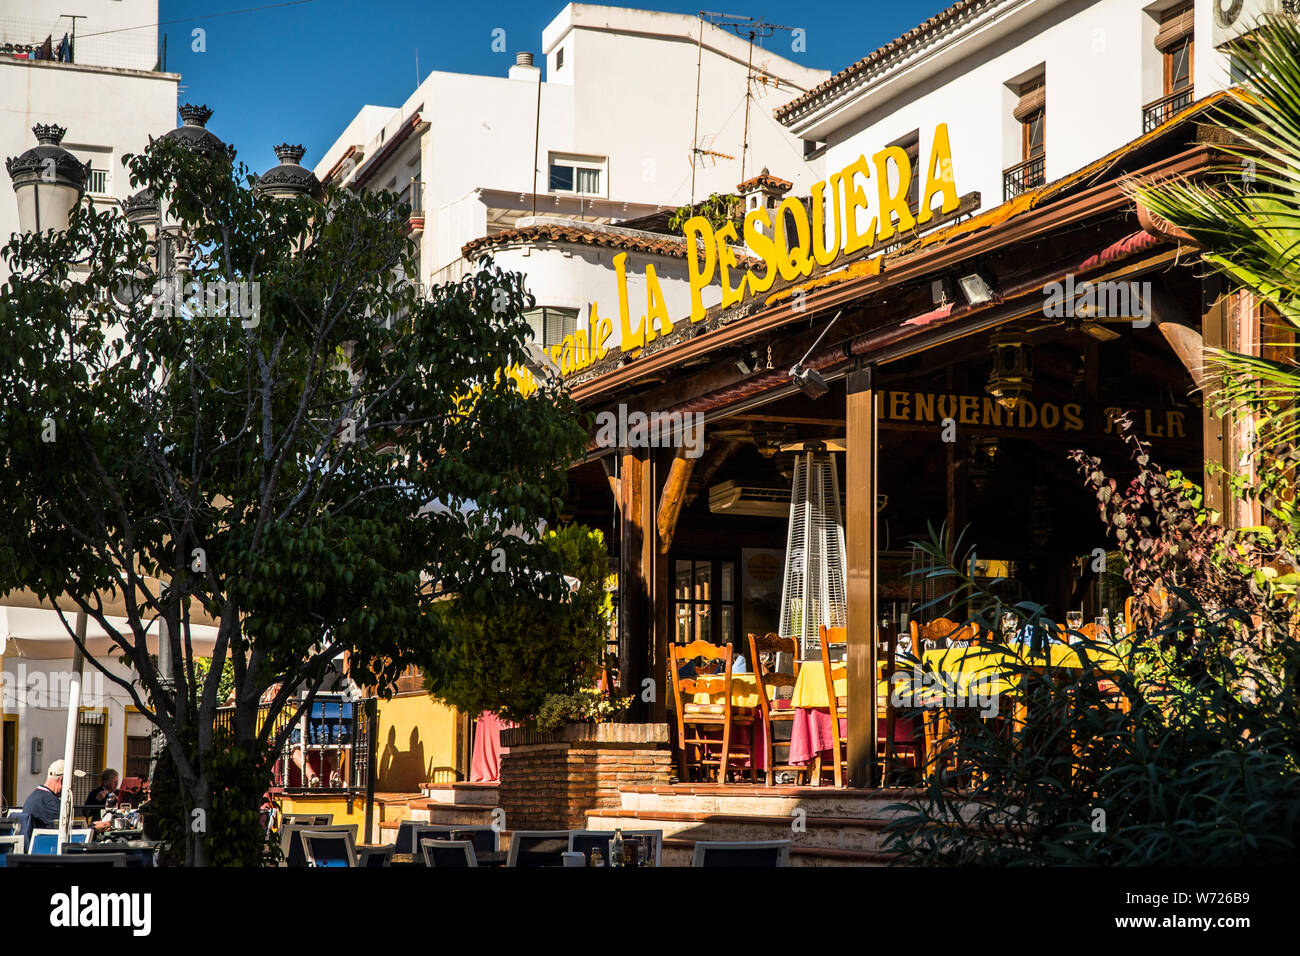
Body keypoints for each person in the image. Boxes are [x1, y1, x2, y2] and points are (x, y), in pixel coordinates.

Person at [19, 761, 111, 843]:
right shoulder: (50, 803)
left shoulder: (37, 796)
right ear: (63, 780)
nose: (74, 786)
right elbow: (73, 836)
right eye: (73, 781)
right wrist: (95, 829)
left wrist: (91, 826)